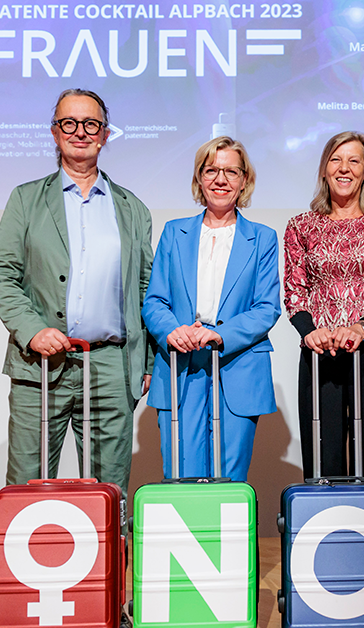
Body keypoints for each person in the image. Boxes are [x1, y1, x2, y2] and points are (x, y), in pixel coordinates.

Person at [0, 88, 152, 628]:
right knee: (27, 488)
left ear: (106, 133)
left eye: (92, 124)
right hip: (41, 367)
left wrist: (145, 358)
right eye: (70, 124)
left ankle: (111, 608)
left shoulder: (131, 207)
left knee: (112, 494)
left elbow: (145, 289)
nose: (81, 133)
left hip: (108, 363)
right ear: (54, 132)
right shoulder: (26, 199)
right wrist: (32, 329)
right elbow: (1, 274)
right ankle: (16, 615)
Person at [143, 137, 280, 481]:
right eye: (212, 170)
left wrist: (219, 335)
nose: (221, 179)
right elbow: (155, 301)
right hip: (180, 365)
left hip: (238, 368)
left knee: (229, 480)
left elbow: (266, 308)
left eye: (231, 171)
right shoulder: (174, 233)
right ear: (199, 178)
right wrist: (172, 331)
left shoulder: (263, 238)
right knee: (180, 474)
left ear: (244, 180)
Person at [284, 131, 364, 485]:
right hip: (321, 351)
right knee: (326, 463)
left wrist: (362, 327)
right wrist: (311, 333)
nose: (344, 168)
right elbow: (295, 291)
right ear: (324, 170)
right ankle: (326, 539)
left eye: (354, 161)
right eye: (336, 160)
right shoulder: (301, 226)